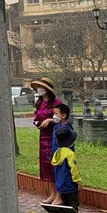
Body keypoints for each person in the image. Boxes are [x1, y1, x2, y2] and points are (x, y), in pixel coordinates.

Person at [31, 77, 62, 205]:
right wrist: (37, 123)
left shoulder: (56, 103)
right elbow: (35, 118)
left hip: (54, 136)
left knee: (55, 164)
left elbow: (60, 118)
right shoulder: (39, 103)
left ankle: (59, 195)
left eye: (42, 87)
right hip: (43, 137)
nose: (39, 89)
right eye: (38, 87)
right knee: (46, 165)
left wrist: (50, 120)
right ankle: (52, 193)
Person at [50, 105, 81, 213]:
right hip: (70, 184)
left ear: (63, 115)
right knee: (73, 203)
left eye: (56, 114)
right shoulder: (69, 154)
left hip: (61, 183)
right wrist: (78, 181)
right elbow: (74, 169)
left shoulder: (57, 155)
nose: (54, 116)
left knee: (66, 202)